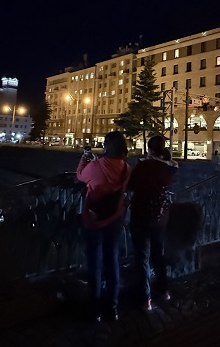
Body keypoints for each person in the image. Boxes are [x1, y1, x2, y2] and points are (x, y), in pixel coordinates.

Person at [76, 130, 130, 322]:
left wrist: (85, 159)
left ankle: (95, 310)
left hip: (95, 220)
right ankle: (112, 307)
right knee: (112, 261)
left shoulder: (96, 166)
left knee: (94, 264)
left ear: (106, 146)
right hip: (115, 219)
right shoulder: (126, 167)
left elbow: (81, 176)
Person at [128, 135, 178, 311]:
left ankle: (145, 298)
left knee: (142, 255)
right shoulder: (169, 167)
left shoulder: (145, 166)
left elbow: (130, 185)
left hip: (141, 213)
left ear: (149, 149)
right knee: (158, 253)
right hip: (160, 215)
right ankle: (164, 290)